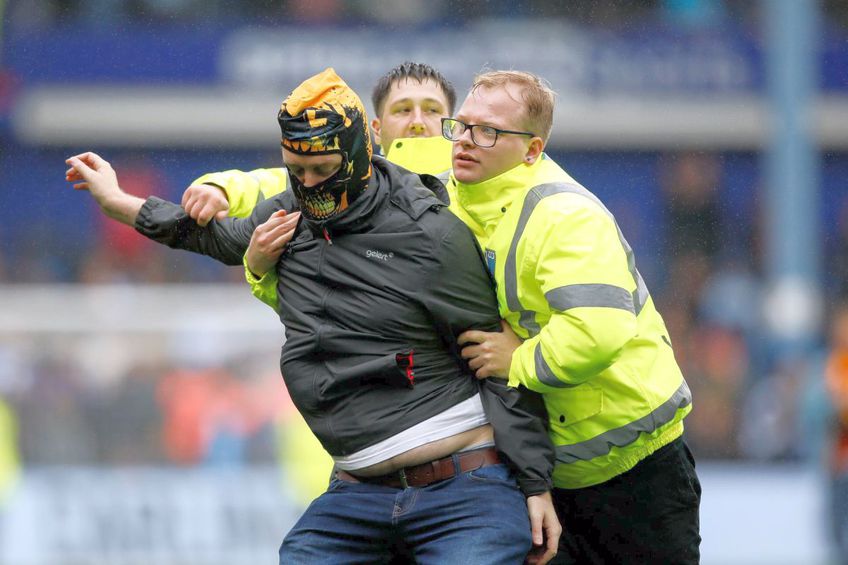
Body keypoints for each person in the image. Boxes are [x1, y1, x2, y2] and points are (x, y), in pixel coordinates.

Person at [66, 68, 560, 564]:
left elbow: (498, 366)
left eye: (322, 171)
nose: (308, 184)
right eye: (296, 172)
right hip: (356, 495)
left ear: (360, 154)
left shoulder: (431, 233)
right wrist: (119, 203)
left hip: (463, 492)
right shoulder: (289, 216)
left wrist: (536, 486)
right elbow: (205, 235)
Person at [448, 71, 702, 564]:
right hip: (550, 477)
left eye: (489, 131)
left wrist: (516, 360)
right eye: (460, 125)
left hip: (638, 475)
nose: (465, 140)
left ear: (532, 149)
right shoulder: (457, 196)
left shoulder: (565, 214)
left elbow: (596, 330)